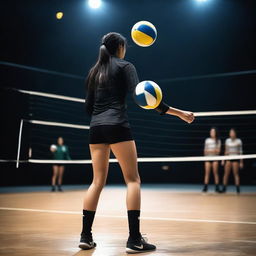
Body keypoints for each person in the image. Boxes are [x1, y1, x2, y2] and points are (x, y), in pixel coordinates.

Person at [80, 32, 194, 254]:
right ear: (120, 47)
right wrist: (179, 113)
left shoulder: (94, 72)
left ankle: (85, 237)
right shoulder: (125, 66)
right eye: (125, 46)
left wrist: (102, 114)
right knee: (133, 180)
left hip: (96, 128)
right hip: (117, 125)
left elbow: (87, 107)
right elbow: (141, 96)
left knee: (96, 182)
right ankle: (134, 240)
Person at [221, 128, 243, 194]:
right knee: (226, 174)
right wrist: (223, 160)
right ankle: (224, 188)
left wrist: (241, 162)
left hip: (235, 159)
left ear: (235, 133)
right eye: (230, 132)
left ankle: (238, 189)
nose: (232, 134)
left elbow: (240, 152)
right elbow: (226, 151)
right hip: (229, 158)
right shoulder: (227, 140)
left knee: (236, 174)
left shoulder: (239, 141)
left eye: (233, 132)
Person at [202, 127, 221, 193]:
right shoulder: (207, 140)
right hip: (208, 158)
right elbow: (205, 151)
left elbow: (218, 151)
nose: (212, 133)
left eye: (213, 132)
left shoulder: (218, 140)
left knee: (215, 173)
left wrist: (210, 151)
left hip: (215, 158)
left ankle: (217, 188)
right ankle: (205, 187)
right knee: (207, 173)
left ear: (215, 133)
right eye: (211, 132)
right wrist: (213, 151)